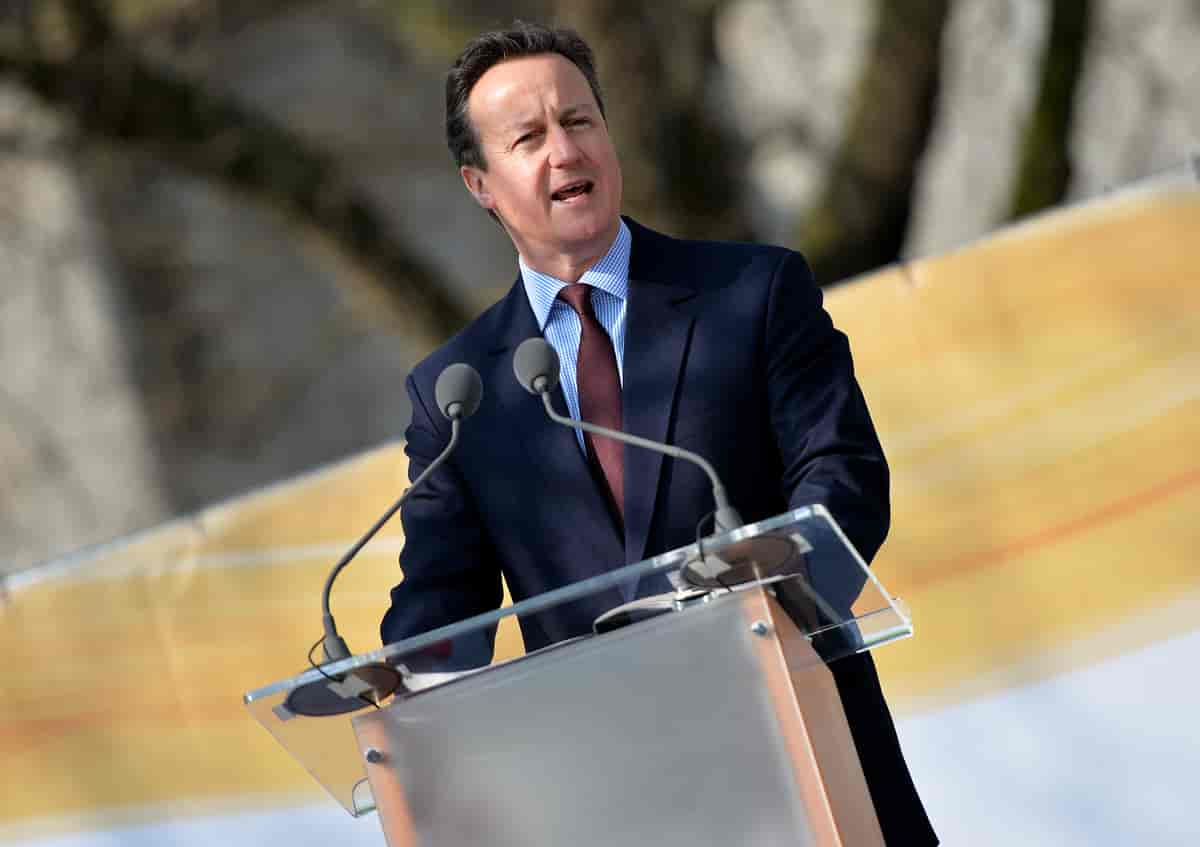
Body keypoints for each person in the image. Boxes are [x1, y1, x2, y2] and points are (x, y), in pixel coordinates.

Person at [381, 22, 936, 845]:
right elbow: (440, 608)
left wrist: (772, 616)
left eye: (579, 121)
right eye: (529, 137)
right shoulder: (458, 393)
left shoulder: (751, 292)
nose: (564, 151)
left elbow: (842, 477)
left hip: (801, 733)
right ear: (480, 183)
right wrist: (401, 693)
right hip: (614, 790)